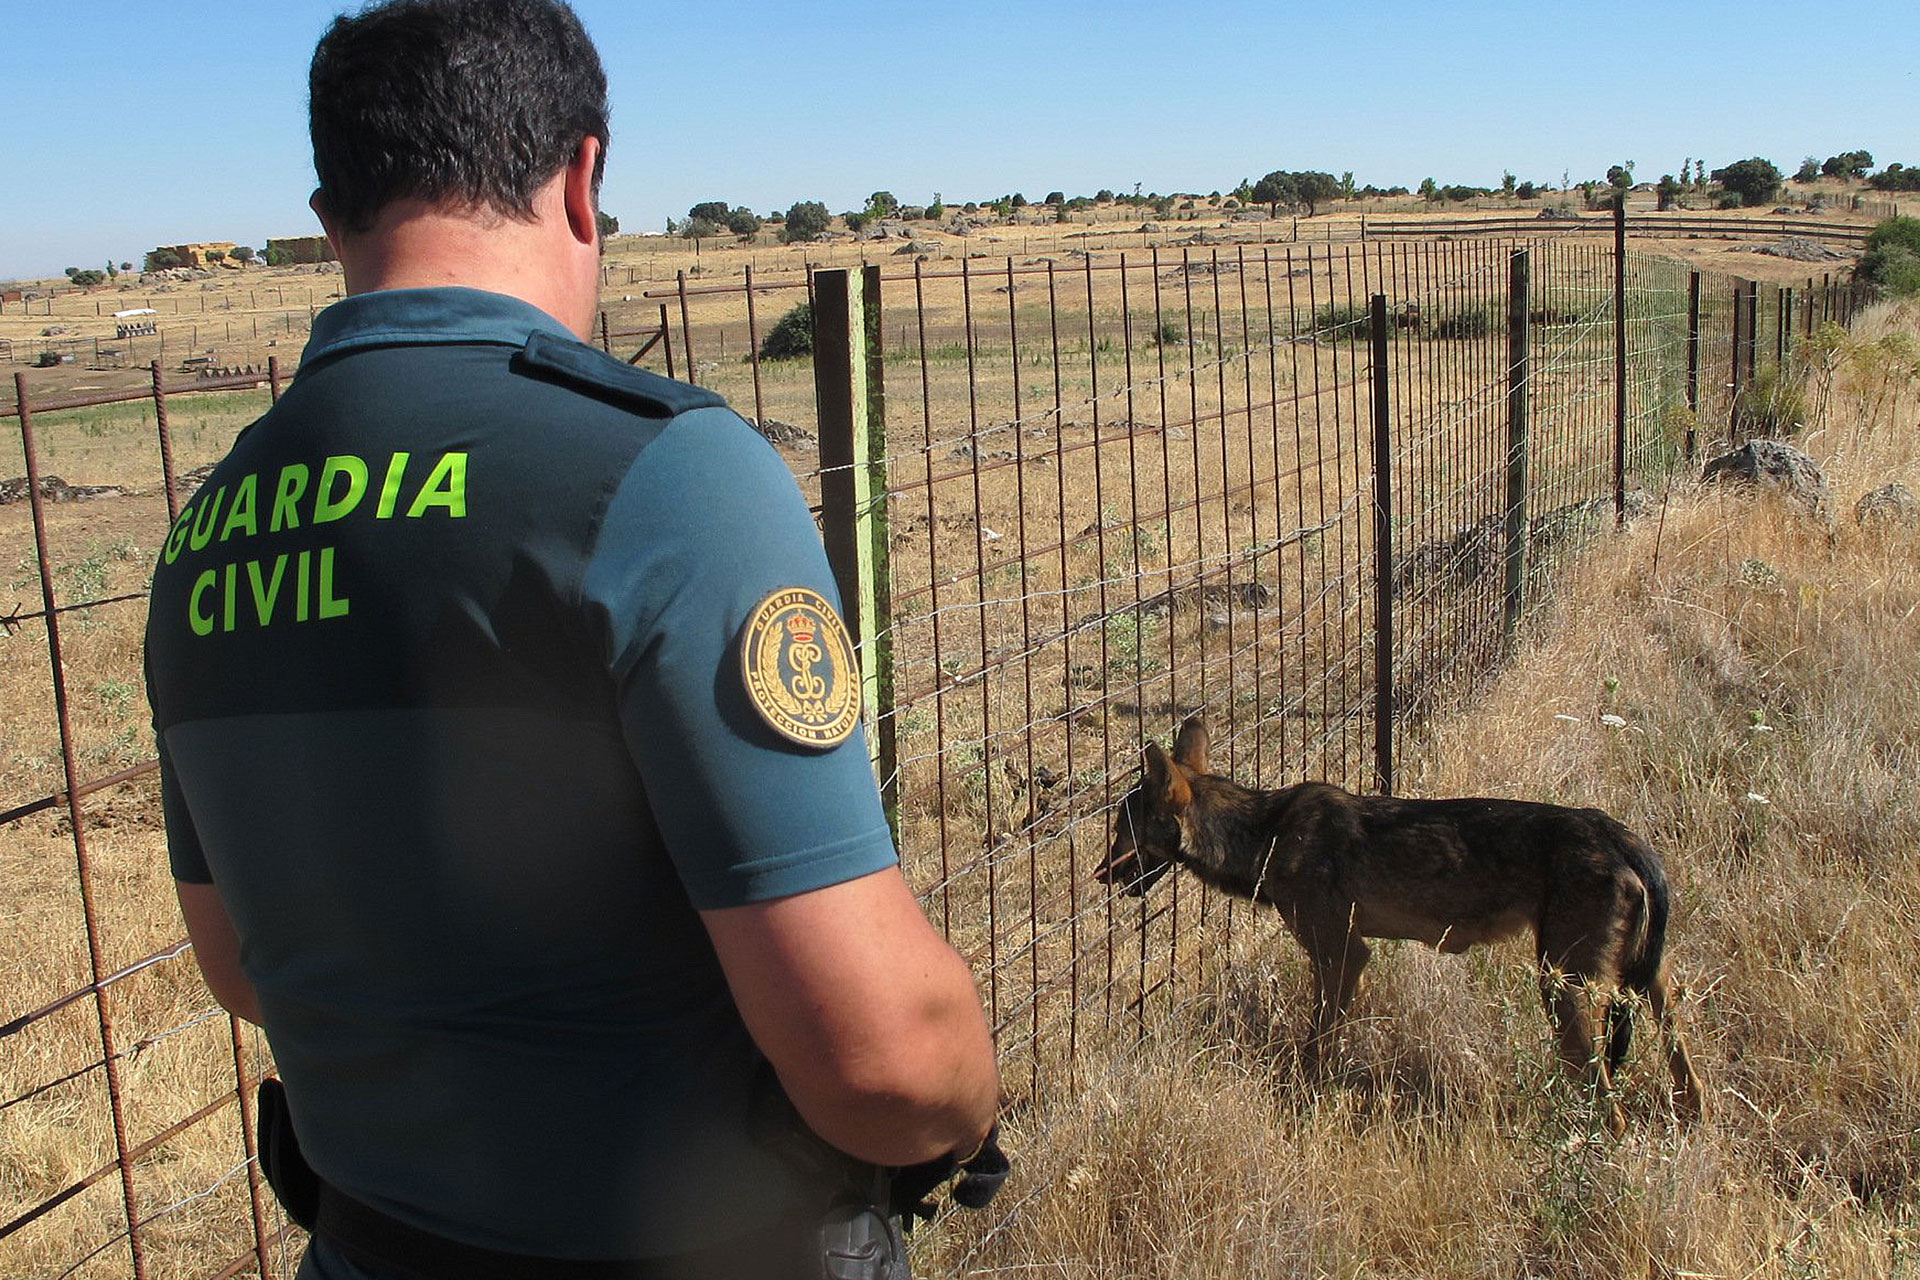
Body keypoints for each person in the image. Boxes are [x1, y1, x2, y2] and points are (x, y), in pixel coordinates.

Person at [142, 1, 1000, 1276]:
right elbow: (877, 1063)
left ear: (331, 219)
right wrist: (961, 1096)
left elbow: (244, 970)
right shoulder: (664, 474)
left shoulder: (205, 529)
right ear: (584, 179)